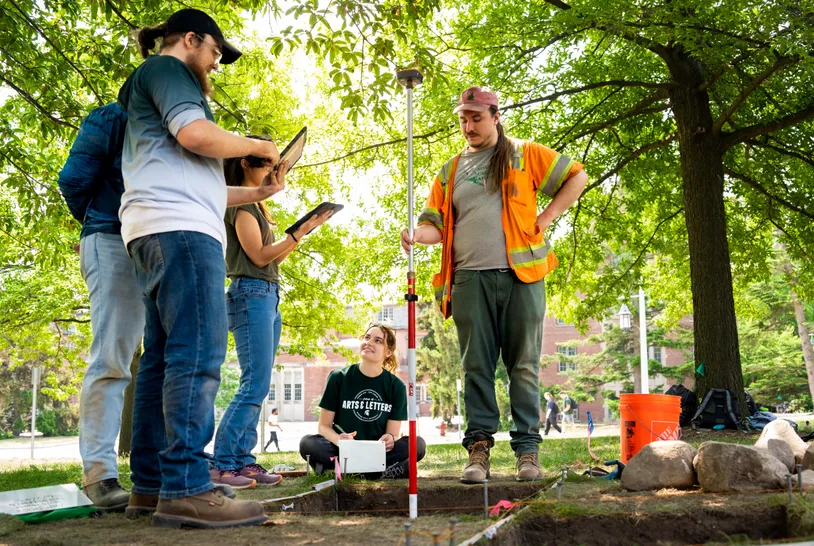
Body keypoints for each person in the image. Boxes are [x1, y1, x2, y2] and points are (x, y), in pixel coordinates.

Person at [117, 8, 284, 529]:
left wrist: (259, 191)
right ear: (191, 40)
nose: (215, 64)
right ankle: (187, 487)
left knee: (164, 358)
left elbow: (201, 178)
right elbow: (195, 135)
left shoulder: (152, 86)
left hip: (154, 227)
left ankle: (150, 486)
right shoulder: (170, 71)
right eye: (214, 52)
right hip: (182, 232)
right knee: (198, 352)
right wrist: (258, 145)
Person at [401, 86, 588, 483]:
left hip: (522, 279)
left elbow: (577, 176)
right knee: (476, 367)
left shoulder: (523, 154)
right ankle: (479, 450)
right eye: (464, 119)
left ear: (495, 116)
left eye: (476, 118)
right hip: (468, 281)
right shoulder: (450, 171)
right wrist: (416, 234)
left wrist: (549, 215)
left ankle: (527, 453)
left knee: (523, 366)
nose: (468, 126)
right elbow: (434, 225)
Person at [211, 145, 332, 487]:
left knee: (259, 385)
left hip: (266, 293)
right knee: (254, 383)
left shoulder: (257, 208)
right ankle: (222, 464)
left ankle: (243, 460)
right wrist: (298, 232)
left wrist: (304, 230)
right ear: (244, 163)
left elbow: (271, 261)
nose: (275, 167)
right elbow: (259, 257)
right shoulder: (243, 206)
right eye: (267, 162)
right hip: (250, 294)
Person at [58, 102, 141, 512]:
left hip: (158, 245)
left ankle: (157, 472)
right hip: (111, 239)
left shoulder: (186, 124)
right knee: (111, 359)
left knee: (165, 363)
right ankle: (99, 475)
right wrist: (98, 228)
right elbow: (73, 181)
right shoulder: (114, 117)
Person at [299, 323, 426, 480]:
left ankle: (340, 470)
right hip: (344, 449)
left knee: (417, 444)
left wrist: (390, 439)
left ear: (388, 352)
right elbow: (323, 426)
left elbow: (392, 433)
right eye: (367, 337)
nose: (369, 342)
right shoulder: (338, 377)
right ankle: (381, 472)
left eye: (378, 340)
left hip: (377, 452)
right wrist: (339, 440)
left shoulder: (396, 386)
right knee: (308, 443)